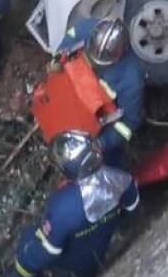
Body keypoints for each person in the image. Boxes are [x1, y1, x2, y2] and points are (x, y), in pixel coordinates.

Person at [6, 131, 140, 277]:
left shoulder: (64, 207)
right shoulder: (122, 179)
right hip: (100, 247)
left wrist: (28, 255)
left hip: (74, 254)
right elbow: (132, 211)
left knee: (25, 258)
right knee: (82, 274)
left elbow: (48, 251)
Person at [58, 17, 146, 166]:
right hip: (68, 97)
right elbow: (70, 36)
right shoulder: (88, 28)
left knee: (106, 162)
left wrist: (101, 143)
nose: (94, 64)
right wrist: (61, 54)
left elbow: (129, 125)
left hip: (96, 127)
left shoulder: (131, 80)